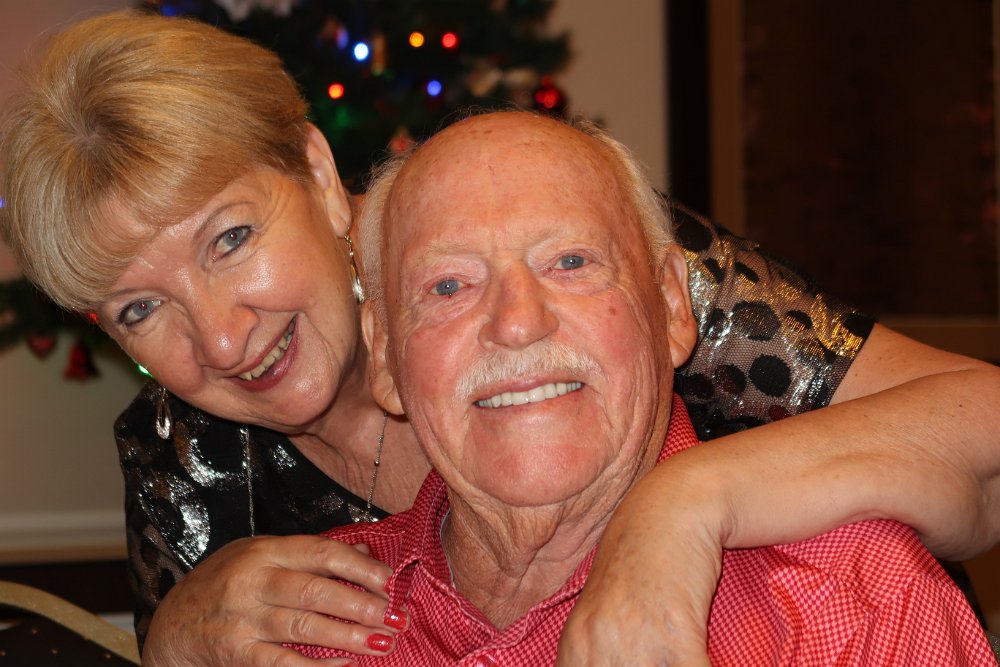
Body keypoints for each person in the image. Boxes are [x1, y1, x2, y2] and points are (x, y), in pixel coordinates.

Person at [0, 10, 998, 666]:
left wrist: (680, 508)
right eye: (138, 309)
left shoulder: (592, 248)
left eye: (230, 239)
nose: (220, 338)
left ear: (314, 171)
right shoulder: (180, 459)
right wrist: (172, 636)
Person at [291, 109, 996, 665]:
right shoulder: (294, 623)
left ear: (671, 304)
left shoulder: (854, 601)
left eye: (571, 261)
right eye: (449, 285)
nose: (516, 323)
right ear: (384, 355)